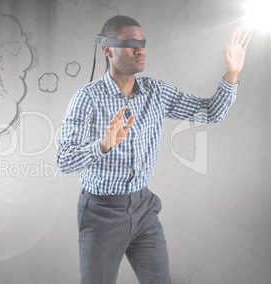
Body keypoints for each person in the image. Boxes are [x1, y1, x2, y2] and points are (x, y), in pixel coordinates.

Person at [57, 15, 251, 284]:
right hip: (101, 213)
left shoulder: (155, 92)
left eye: (143, 43)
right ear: (107, 49)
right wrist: (103, 145)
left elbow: (210, 112)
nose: (140, 50)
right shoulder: (86, 98)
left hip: (143, 208)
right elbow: (64, 160)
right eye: (130, 43)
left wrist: (231, 74)